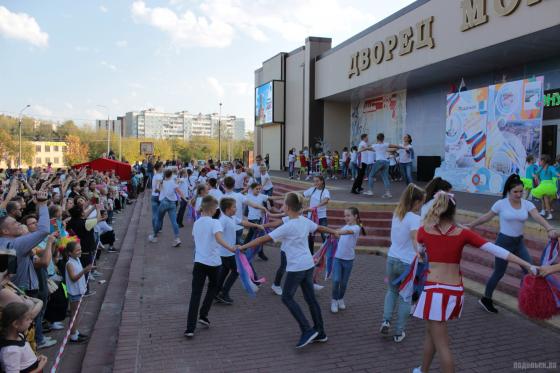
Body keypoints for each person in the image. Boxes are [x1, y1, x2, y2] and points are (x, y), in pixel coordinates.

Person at [411, 192, 537, 373]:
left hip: (435, 291)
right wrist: (527, 264)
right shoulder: (463, 233)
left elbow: (420, 251)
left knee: (442, 344)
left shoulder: (424, 231)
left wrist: (423, 250)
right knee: (432, 334)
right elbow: (496, 250)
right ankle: (423, 370)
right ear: (454, 211)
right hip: (454, 291)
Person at [238, 192, 339, 348]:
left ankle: (307, 330)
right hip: (307, 264)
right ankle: (320, 332)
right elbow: (319, 227)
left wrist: (243, 247)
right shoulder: (303, 220)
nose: (282, 206)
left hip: (297, 267)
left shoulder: (288, 226)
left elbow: (263, 239)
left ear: (289, 207)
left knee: (287, 297)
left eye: (284, 204)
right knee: (310, 299)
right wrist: (334, 232)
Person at [465, 174, 557, 314]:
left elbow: (537, 216)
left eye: (521, 191)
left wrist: (549, 227)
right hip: (503, 242)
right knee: (499, 272)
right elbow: (486, 217)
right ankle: (486, 299)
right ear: (509, 190)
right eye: (516, 192)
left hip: (519, 242)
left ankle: (527, 300)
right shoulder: (501, 204)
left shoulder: (527, 204)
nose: (519, 194)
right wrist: (471, 225)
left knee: (530, 270)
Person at [184, 196, 237, 338]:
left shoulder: (197, 223)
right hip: (213, 263)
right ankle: (204, 314)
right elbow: (219, 239)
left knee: (195, 294)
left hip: (199, 262)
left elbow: (196, 239)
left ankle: (190, 328)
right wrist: (231, 248)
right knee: (213, 288)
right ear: (214, 210)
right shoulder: (215, 223)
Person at [380, 184, 425, 343]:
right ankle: (399, 332)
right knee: (405, 297)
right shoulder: (415, 218)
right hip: (407, 263)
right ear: (416, 202)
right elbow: (414, 238)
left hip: (392, 258)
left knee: (391, 291)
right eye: (421, 203)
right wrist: (419, 253)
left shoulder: (397, 213)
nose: (421, 206)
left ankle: (386, 320)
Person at [215, 197, 264, 304]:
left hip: (228, 252)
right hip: (226, 252)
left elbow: (243, 223)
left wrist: (256, 225)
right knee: (236, 271)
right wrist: (229, 247)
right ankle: (224, 293)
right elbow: (217, 236)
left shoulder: (231, 218)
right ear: (228, 209)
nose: (236, 208)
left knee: (224, 272)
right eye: (234, 207)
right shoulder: (223, 220)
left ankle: (217, 292)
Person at [330, 207, 366, 314]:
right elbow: (341, 233)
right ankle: (334, 300)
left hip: (348, 260)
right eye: (345, 215)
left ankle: (340, 298)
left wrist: (337, 232)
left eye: (348, 215)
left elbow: (347, 232)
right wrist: (334, 234)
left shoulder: (356, 228)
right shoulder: (344, 226)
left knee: (344, 283)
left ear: (355, 216)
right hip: (337, 258)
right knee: (336, 280)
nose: (346, 218)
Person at [0, 302, 48, 373]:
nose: (31, 321)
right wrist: (39, 367)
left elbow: (22, 358)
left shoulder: (20, 335)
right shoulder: (10, 351)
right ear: (16, 324)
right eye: (27, 319)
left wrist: (36, 359)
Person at [65, 241, 92, 343]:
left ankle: (75, 332)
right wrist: (84, 271)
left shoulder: (77, 259)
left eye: (80, 249)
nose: (80, 252)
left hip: (79, 291)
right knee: (74, 314)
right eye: (77, 250)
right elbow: (73, 278)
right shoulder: (69, 264)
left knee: (77, 313)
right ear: (70, 253)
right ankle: (73, 335)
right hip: (74, 292)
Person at [150, 169, 185, 247]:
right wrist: (186, 199)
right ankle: (177, 238)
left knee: (159, 219)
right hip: (172, 203)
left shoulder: (161, 181)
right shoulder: (173, 182)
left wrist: (159, 187)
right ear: (171, 175)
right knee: (174, 222)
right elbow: (180, 192)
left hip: (163, 202)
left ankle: (154, 236)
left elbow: (157, 190)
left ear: (165, 175)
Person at [367, 133, 400, 198]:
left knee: (371, 175)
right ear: (383, 138)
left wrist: (360, 150)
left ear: (377, 138)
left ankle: (370, 191)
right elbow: (395, 147)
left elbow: (367, 148)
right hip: (386, 162)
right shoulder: (386, 145)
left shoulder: (375, 145)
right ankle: (388, 193)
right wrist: (402, 147)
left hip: (379, 161)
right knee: (385, 178)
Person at [303, 175, 330, 252]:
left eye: (317, 181)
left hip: (322, 217)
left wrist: (315, 207)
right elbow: (302, 195)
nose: (315, 183)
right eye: (314, 181)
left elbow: (326, 200)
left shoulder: (326, 191)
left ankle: (326, 255)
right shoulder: (312, 189)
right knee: (310, 238)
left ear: (322, 181)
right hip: (311, 217)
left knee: (325, 236)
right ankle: (311, 255)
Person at [530, 154, 559, 220]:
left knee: (545, 198)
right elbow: (536, 174)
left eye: (540, 160)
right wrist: (535, 177)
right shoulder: (541, 168)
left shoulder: (550, 167)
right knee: (543, 198)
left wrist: (535, 176)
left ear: (544, 161)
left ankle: (549, 213)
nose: (539, 162)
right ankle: (544, 211)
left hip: (547, 185)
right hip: (544, 185)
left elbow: (555, 173)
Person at [149, 162, 164, 242]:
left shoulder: (155, 176)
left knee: (155, 214)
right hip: (159, 195)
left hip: (154, 196)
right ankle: (156, 230)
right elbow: (158, 188)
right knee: (159, 215)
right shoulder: (159, 176)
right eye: (162, 167)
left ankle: (156, 229)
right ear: (159, 168)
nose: (163, 168)